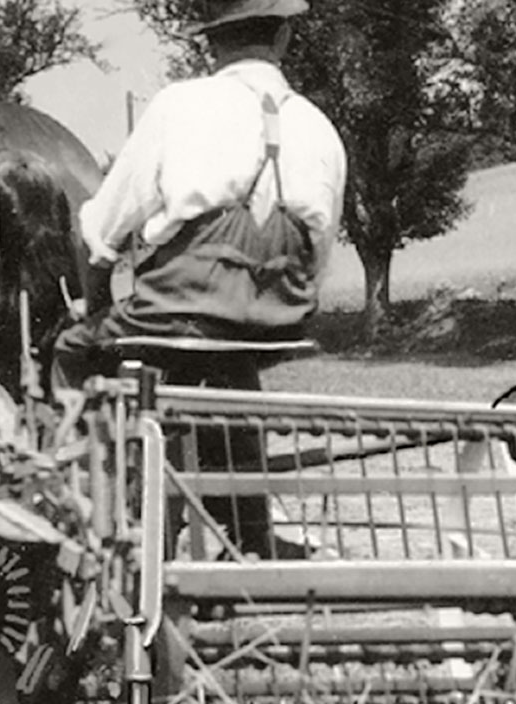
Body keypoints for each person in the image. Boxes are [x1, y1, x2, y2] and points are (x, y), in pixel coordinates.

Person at [51, 0, 347, 556]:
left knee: (73, 348)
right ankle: (246, 520)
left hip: (180, 309)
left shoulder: (178, 107)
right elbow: (322, 248)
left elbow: (101, 232)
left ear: (209, 44)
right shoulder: (319, 126)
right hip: (279, 319)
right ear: (283, 37)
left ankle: (89, 508)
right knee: (230, 370)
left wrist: (92, 310)